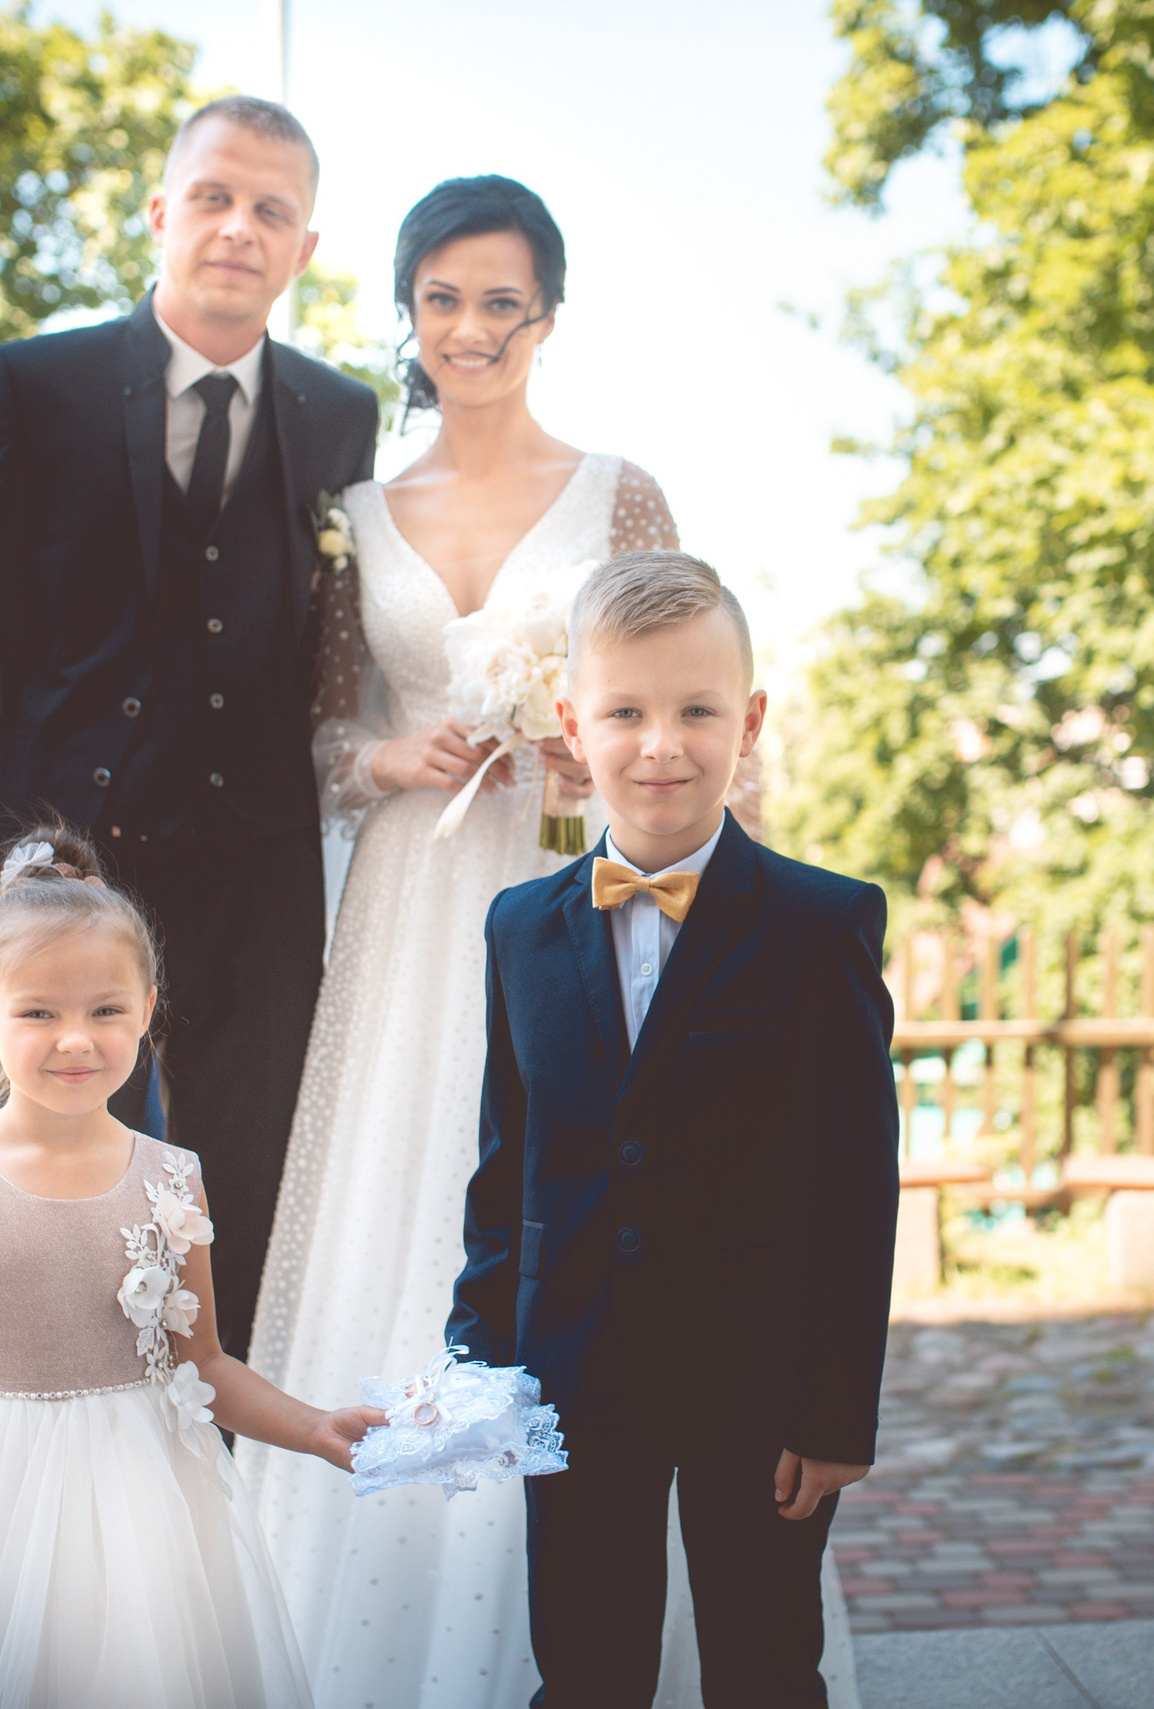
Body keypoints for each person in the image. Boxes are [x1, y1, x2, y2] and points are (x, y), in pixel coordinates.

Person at [240, 176, 849, 1706]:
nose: (470, 327)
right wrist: (394, 757)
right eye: (442, 298)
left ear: (548, 317)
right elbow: (319, 733)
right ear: (409, 313)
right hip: (412, 902)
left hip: (577, 872)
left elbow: (689, 689)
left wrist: (597, 767)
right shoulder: (358, 513)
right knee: (434, 1194)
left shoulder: (620, 493)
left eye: (501, 300)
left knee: (606, 1189)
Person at [0, 95, 379, 1360]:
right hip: (66, 875)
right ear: (161, 212)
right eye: (213, 196)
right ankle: (39, 1443)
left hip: (261, 886)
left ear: (305, 247)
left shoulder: (338, 415)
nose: (237, 227)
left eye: (270, 209)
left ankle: (218, 1461)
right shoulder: (30, 387)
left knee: (247, 1210)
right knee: (42, 1206)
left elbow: (339, 650)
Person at [449, 553, 899, 1707]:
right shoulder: (518, 927)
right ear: (571, 723)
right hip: (571, 1369)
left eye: (697, 710)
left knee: (764, 1664)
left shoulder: (822, 923)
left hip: (760, 1378)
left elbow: (858, 1185)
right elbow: (508, 1164)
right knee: (585, 1668)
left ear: (749, 721)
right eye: (625, 713)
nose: (661, 745)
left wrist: (837, 1408)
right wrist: (480, 1358)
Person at [0, 826, 387, 1707]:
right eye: (39, 1012)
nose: (76, 1040)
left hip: (145, 1510)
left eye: (106, 1010)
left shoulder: (172, 1177)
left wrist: (313, 1426)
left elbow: (204, 1363)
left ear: (147, 1010)